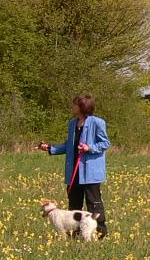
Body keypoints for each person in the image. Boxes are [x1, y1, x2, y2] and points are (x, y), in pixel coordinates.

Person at [36, 94, 109, 238]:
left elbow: (105, 143)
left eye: (74, 104)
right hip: (74, 172)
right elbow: (69, 145)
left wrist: (89, 147)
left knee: (93, 204)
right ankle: (75, 235)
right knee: (74, 204)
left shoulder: (97, 123)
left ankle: (100, 233)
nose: (72, 107)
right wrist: (50, 148)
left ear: (82, 106)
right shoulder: (72, 124)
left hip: (90, 173)